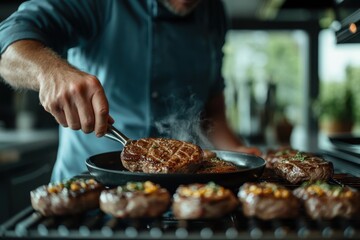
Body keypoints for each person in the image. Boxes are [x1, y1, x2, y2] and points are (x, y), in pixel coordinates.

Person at [0, 0, 261, 181]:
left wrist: (237, 153)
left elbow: (211, 110)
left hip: (180, 195)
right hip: (89, 189)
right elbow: (8, 41)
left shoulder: (214, 12)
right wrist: (50, 72)